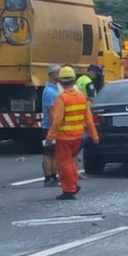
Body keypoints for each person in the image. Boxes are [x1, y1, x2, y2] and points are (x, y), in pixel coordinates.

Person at [46, 66, 99, 200]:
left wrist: (50, 136)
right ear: (74, 80)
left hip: (64, 137)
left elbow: (57, 120)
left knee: (64, 164)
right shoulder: (81, 97)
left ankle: (70, 189)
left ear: (61, 82)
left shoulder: (61, 99)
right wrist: (94, 135)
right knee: (70, 163)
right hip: (77, 137)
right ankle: (73, 185)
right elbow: (88, 119)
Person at [41, 64, 61, 187]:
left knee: (54, 153)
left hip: (52, 127)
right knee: (48, 153)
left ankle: (53, 176)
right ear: (53, 75)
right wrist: (54, 128)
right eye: (59, 73)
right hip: (49, 127)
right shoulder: (49, 91)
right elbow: (50, 110)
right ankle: (48, 178)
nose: (61, 76)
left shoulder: (54, 89)